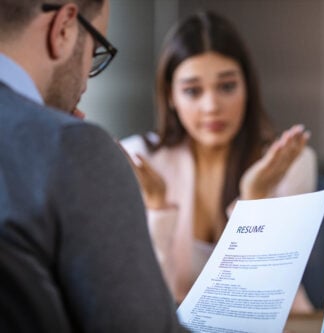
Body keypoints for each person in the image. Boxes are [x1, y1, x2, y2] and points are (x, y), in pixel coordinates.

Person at [0, 0, 188, 332]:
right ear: (63, 28)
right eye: (96, 49)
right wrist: (67, 142)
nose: (87, 77)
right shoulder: (70, 149)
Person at [121, 11, 317, 313]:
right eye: (192, 91)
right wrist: (157, 206)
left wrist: (255, 198)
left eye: (227, 87)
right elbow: (143, 304)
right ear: (170, 96)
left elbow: (259, 298)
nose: (212, 106)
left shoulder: (289, 163)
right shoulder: (142, 159)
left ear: (247, 88)